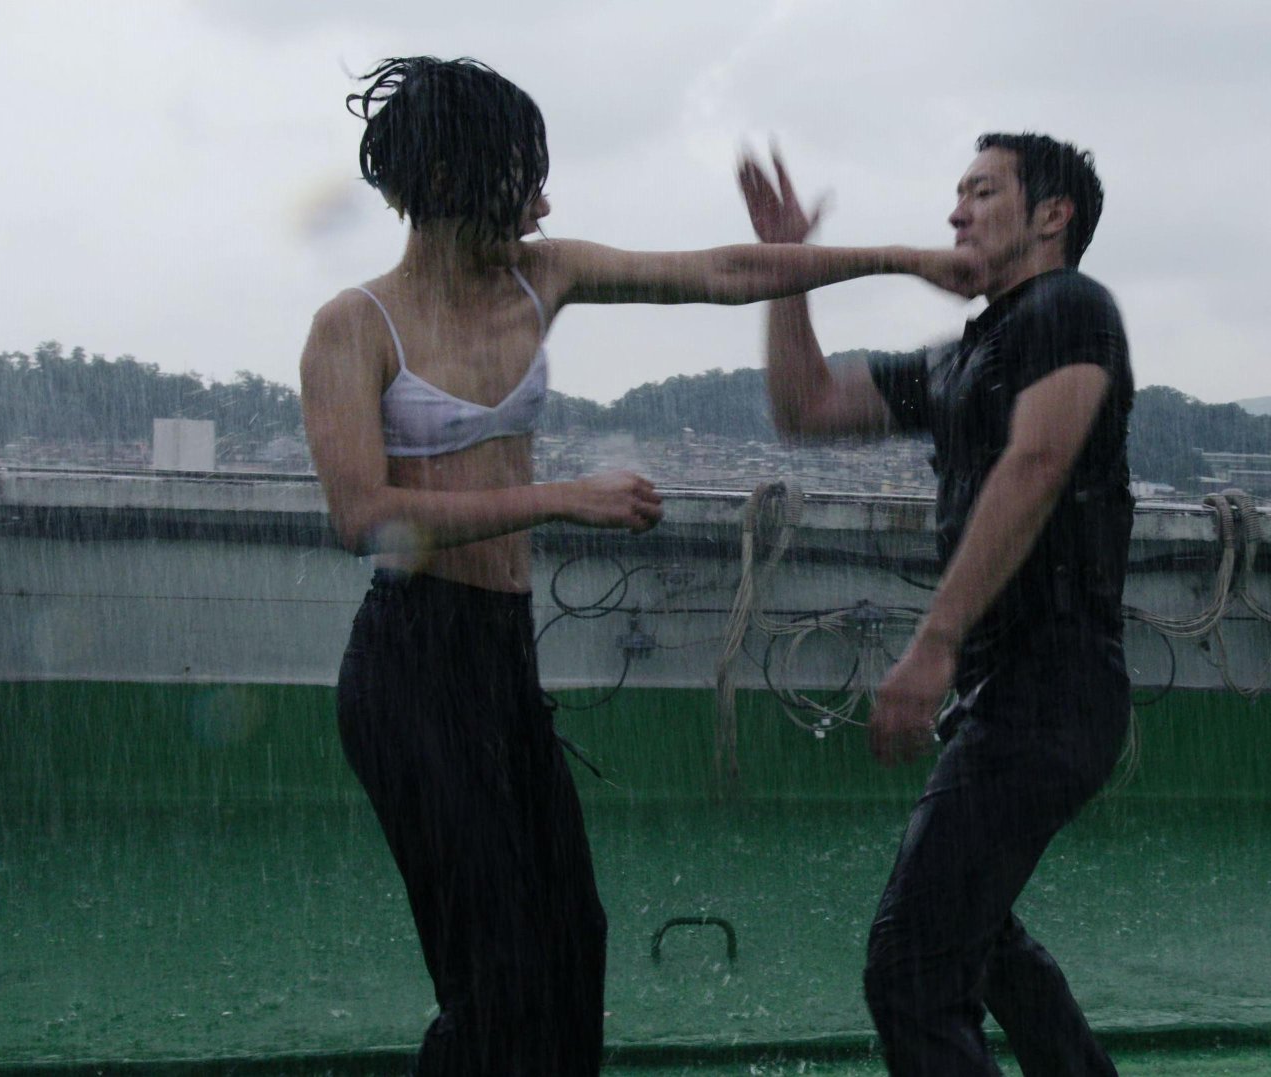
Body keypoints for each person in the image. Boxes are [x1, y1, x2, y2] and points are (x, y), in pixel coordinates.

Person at [300, 56, 979, 1076]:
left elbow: (722, 273)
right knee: (495, 974)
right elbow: (363, 515)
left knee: (573, 942)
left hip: (500, 661)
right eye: (522, 179)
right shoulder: (354, 326)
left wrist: (906, 259)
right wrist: (560, 498)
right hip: (409, 670)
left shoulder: (542, 274)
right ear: (446, 180)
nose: (542, 204)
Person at [740, 134, 1132, 1076]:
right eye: (957, 193)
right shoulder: (963, 357)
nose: (956, 212)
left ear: (1052, 215)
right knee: (980, 939)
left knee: (909, 971)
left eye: (982, 191)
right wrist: (787, 272)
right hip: (1012, 694)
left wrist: (934, 642)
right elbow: (807, 405)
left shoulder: (1072, 308)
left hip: (1052, 687)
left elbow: (1036, 464)